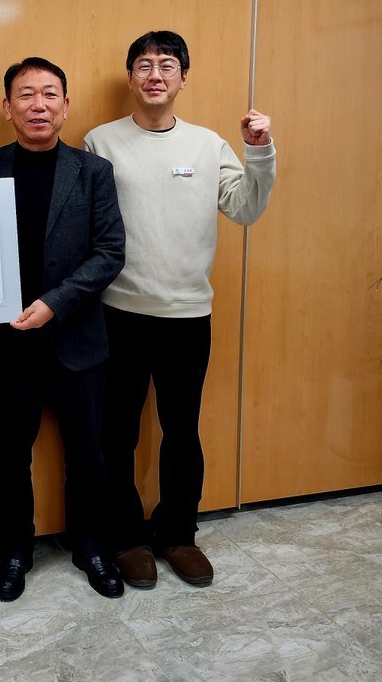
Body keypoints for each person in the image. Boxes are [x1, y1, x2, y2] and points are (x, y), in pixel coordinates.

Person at [83, 29, 275, 590]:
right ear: (131, 77)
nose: (155, 75)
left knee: (182, 432)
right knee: (117, 434)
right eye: (144, 65)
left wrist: (259, 151)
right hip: (118, 312)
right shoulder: (100, 142)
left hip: (188, 314)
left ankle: (179, 535)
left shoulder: (208, 145)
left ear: (183, 78)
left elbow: (245, 209)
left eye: (167, 65)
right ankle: (127, 537)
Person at [0, 57, 125, 601]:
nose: (39, 105)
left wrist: (55, 303)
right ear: (7, 107)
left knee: (88, 452)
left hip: (77, 337)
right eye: (26, 95)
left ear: (66, 106)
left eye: (50, 94)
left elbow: (110, 252)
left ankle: (91, 546)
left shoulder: (93, 171)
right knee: (11, 455)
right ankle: (15, 551)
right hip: (8, 341)